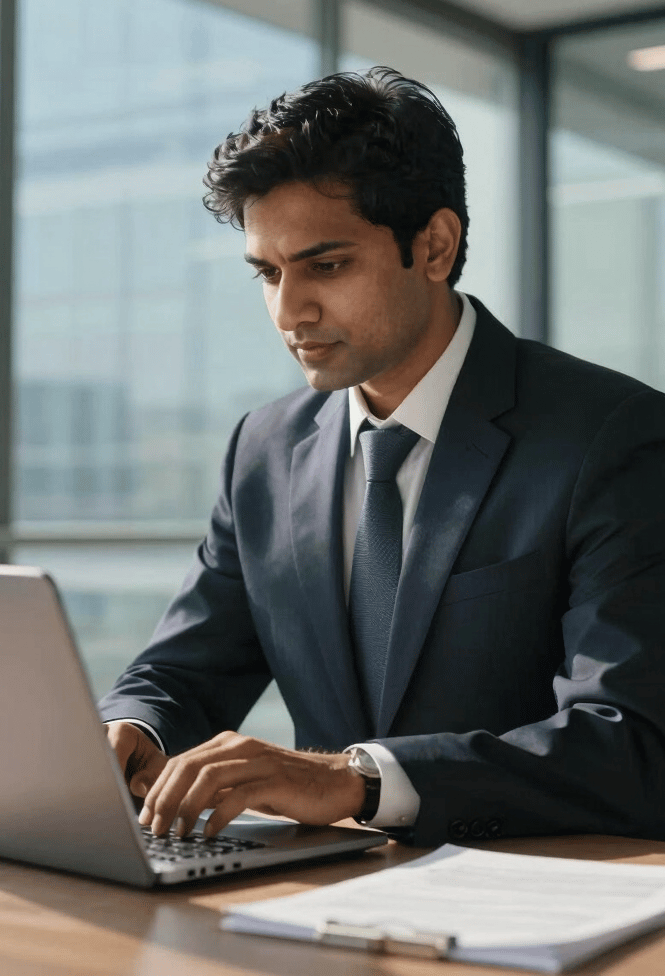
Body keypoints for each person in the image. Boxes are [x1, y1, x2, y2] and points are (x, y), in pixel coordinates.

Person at [100, 67, 665, 847]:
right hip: (320, 900)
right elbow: (183, 671)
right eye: (268, 272)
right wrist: (133, 727)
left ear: (434, 245)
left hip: (531, 910)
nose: (288, 311)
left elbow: (631, 745)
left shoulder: (613, 434)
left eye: (326, 266)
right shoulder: (262, 449)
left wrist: (356, 779)